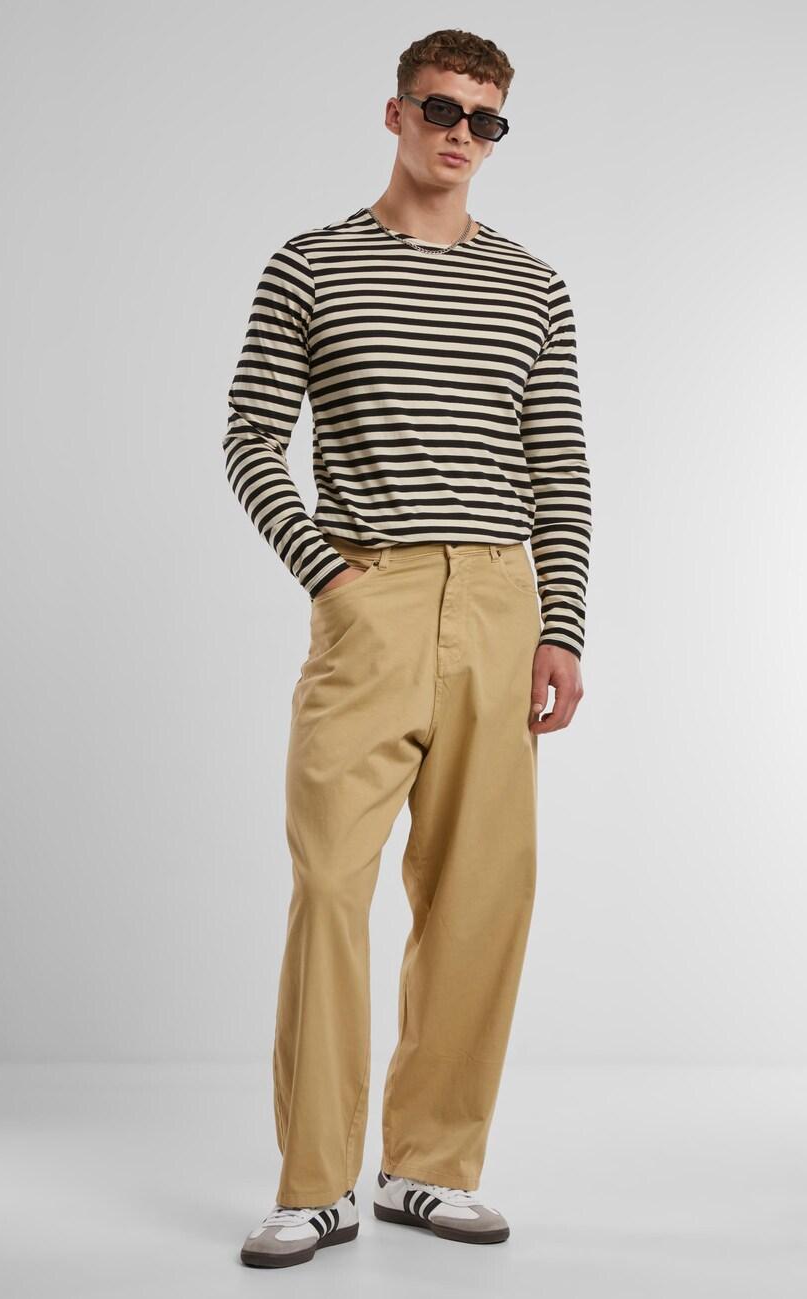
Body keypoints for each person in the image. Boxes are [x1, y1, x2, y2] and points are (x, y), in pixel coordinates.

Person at [226, 27, 592, 1270]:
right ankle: (314, 1185)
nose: (461, 136)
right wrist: (329, 574)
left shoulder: (534, 286)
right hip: (369, 596)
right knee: (332, 885)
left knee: (481, 895)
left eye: (486, 121)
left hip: (499, 600)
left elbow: (559, 468)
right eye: (441, 110)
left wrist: (562, 627)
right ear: (395, 113)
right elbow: (250, 437)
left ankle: (429, 1168)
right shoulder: (312, 265)